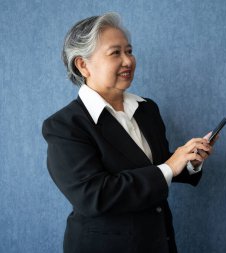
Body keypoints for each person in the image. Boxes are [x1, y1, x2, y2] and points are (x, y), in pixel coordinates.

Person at [42, 12, 216, 253]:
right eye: (116, 53)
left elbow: (154, 166)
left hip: (158, 242)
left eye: (129, 51)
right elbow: (94, 196)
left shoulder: (147, 109)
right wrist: (169, 167)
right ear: (83, 65)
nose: (128, 61)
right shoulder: (64, 126)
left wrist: (189, 161)